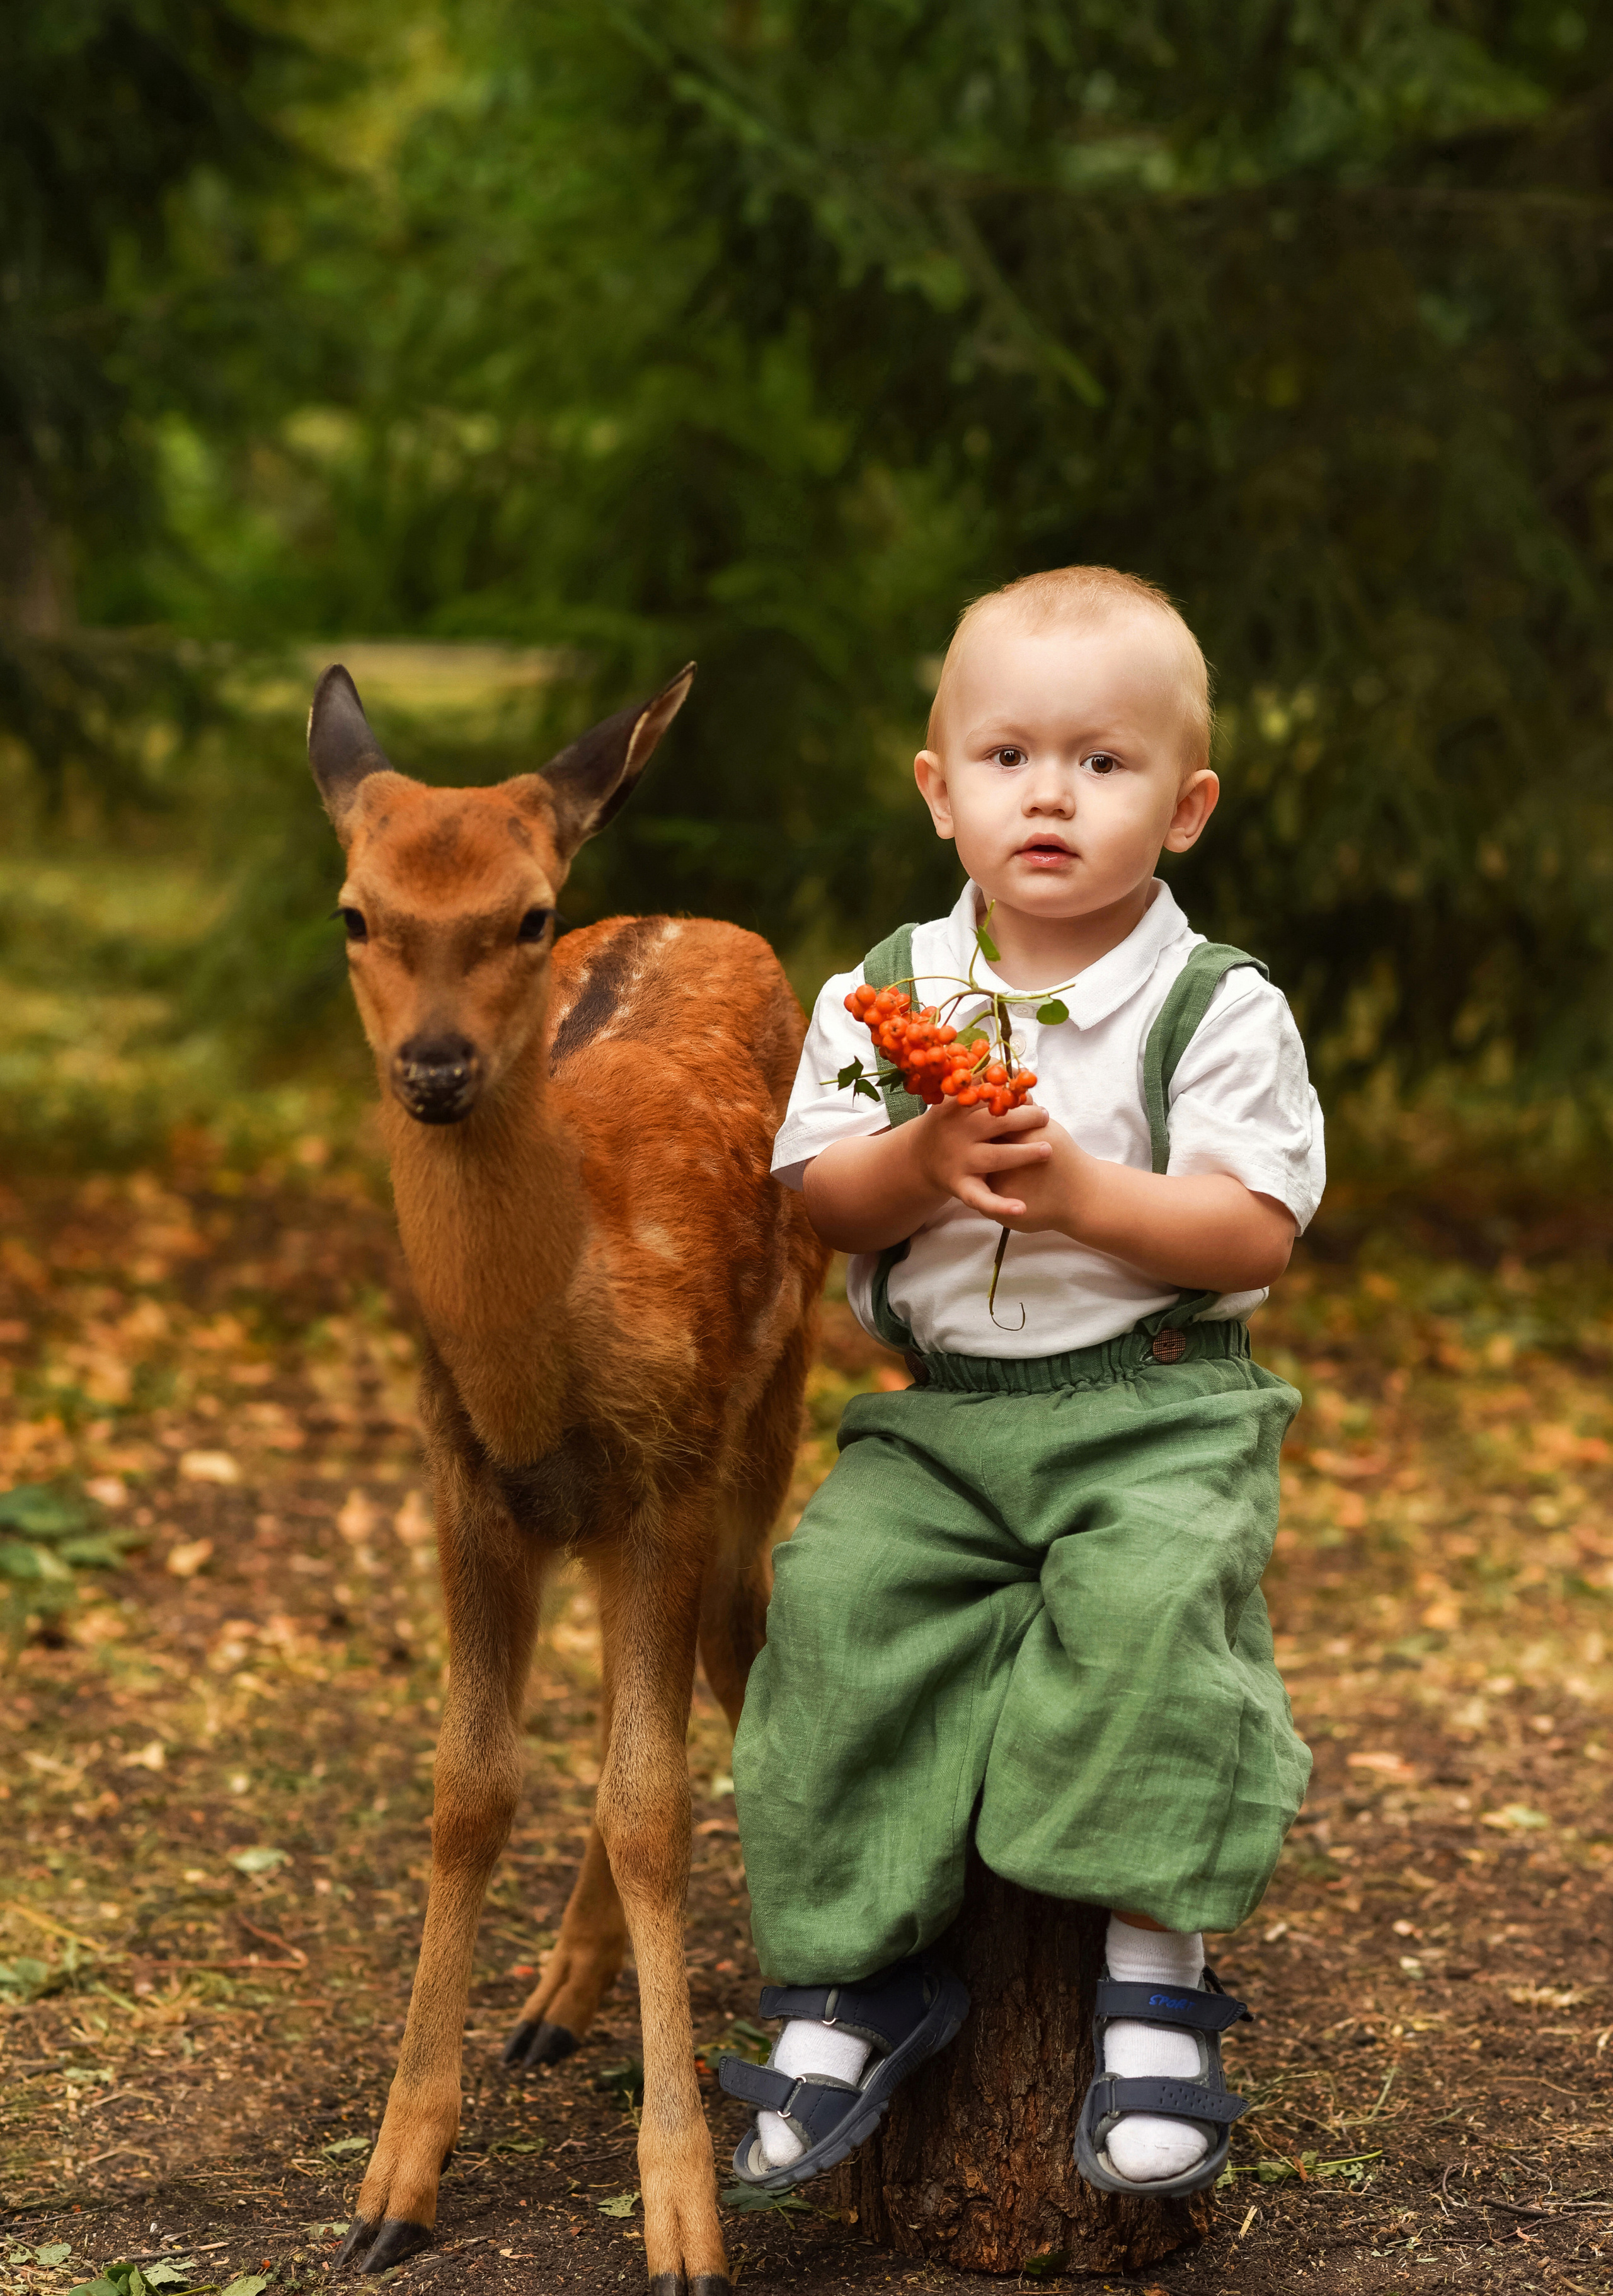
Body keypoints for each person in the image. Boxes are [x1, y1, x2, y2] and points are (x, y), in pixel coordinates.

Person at [718, 565, 1323, 2201]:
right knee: (836, 1607)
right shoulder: (885, 989)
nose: (1048, 791)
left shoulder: (1215, 1004)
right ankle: (856, 1969)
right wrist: (921, 1153)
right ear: (940, 789)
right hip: (950, 1411)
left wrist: (1080, 1197)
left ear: (1186, 805)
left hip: (1158, 1404)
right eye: (1005, 756)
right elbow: (824, 1199)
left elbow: (1249, 1225)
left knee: (1149, 1613)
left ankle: (1153, 1980)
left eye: (1103, 762)